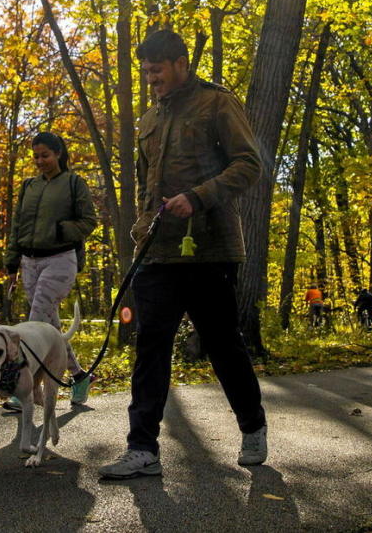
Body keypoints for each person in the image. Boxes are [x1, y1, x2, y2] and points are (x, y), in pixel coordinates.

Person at [98, 29, 267, 480]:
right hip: (158, 251)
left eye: (157, 71)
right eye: (146, 72)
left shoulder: (216, 103)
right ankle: (142, 448)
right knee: (150, 345)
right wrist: (141, 227)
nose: (151, 79)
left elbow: (249, 164)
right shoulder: (149, 118)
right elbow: (144, 182)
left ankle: (252, 425)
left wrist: (199, 195)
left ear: (180, 63)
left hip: (210, 249)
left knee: (221, 343)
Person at [3, 131, 98, 410]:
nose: (40, 161)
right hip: (29, 262)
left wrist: (62, 230)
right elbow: (17, 226)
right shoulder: (28, 186)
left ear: (58, 153)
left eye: (45, 155)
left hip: (60, 259)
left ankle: (26, 390)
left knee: (33, 324)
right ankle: (80, 376)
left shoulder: (73, 183)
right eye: (36, 156)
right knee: (50, 327)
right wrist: (11, 263)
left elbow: (89, 221)